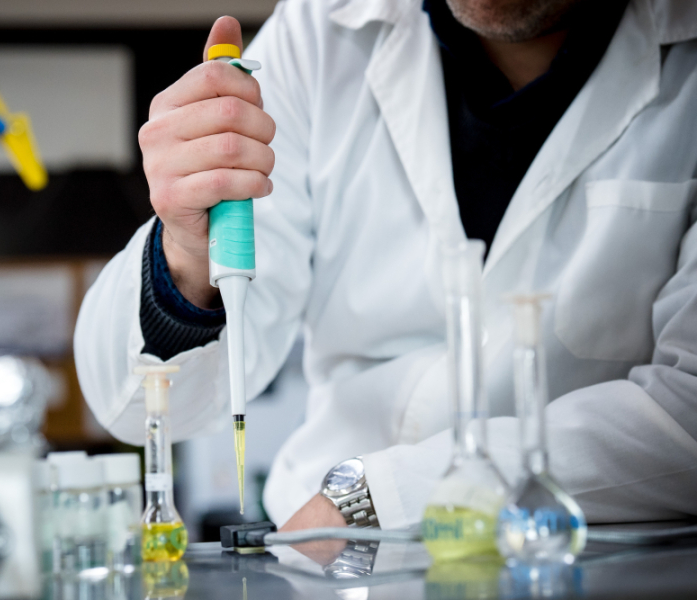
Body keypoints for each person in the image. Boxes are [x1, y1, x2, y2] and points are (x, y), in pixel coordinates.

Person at [74, 0, 697, 536]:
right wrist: (185, 255)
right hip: (325, 563)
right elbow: (143, 406)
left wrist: (376, 498)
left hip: (594, 565)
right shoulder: (325, 31)